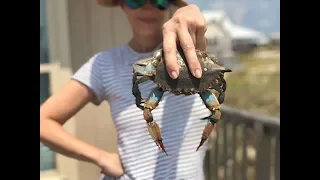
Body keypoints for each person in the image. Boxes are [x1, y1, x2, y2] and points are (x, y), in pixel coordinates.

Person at [40, 0, 212, 179]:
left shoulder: (190, 55)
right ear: (122, 5)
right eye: (135, 0)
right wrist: (101, 157)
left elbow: (196, 33)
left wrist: (191, 12)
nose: (147, 7)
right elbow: (43, 121)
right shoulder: (105, 65)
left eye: (158, 0)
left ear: (169, 5)